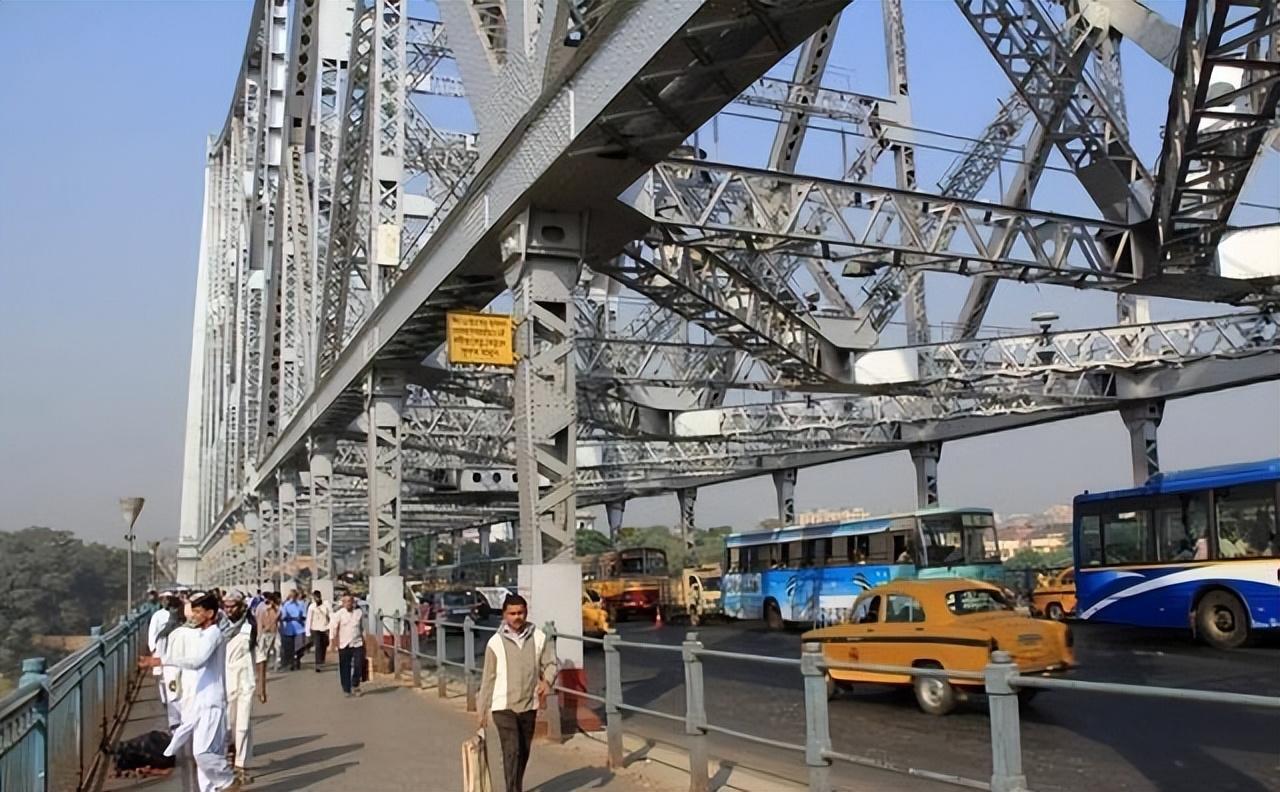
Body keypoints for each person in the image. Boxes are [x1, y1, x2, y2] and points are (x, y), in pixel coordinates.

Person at [146, 592, 240, 792]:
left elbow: (197, 660)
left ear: (210, 613)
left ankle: (228, 782)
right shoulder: (200, 634)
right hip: (199, 703)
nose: (194, 616)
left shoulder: (214, 634)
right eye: (193, 611)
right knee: (204, 756)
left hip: (211, 703)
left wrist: (162, 660)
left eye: (198, 612)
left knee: (203, 753)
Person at [477, 594, 557, 792]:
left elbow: (551, 664)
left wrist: (547, 681)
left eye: (520, 613)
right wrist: (482, 709)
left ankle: (516, 785)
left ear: (526, 613)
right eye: (512, 613)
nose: (516, 617)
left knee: (524, 750)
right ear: (504, 615)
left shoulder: (539, 638)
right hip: (503, 705)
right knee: (511, 749)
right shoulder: (495, 643)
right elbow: (488, 677)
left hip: (529, 703)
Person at [221, 590, 256, 785]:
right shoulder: (219, 627)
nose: (229, 610)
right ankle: (227, 760)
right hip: (225, 681)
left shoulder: (250, 626)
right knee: (228, 724)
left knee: (242, 726)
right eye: (226, 606)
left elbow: (258, 655)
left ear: (241, 607)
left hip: (245, 683)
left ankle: (241, 766)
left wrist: (261, 686)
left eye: (232, 606)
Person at [147, 593, 184, 730]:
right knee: (161, 677)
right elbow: (153, 632)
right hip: (161, 648)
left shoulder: (179, 616)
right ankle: (165, 699)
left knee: (171, 679)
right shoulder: (158, 615)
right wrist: (153, 648)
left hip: (173, 653)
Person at [328, 593, 365, 697]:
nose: (348, 603)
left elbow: (361, 628)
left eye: (350, 601)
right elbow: (333, 628)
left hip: (357, 643)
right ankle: (346, 688)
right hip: (344, 644)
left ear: (353, 602)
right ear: (343, 603)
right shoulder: (339, 614)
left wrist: (365, 639)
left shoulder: (358, 613)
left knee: (359, 664)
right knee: (345, 666)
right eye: (346, 601)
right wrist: (332, 643)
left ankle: (355, 684)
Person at [254, 593, 280, 686]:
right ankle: (260, 670)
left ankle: (269, 667)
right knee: (262, 651)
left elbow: (277, 618)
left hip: (273, 632)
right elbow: (258, 619)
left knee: (271, 650)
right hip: (264, 632)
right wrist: (259, 633)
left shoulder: (276, 609)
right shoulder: (262, 608)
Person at [279, 591, 307, 671]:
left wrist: (300, 617)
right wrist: (292, 618)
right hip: (289, 629)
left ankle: (297, 660)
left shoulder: (301, 604)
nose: (293, 597)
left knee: (299, 647)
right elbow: (283, 617)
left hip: (299, 629)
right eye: (292, 596)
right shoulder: (286, 605)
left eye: (294, 596)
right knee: (289, 648)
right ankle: (291, 663)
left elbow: (304, 615)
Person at [305, 590, 333, 671]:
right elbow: (309, 619)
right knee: (318, 646)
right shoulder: (312, 607)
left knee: (324, 644)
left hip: (325, 628)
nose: (317, 599)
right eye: (315, 598)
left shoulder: (326, 605)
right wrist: (307, 631)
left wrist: (331, 627)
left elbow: (331, 615)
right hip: (315, 629)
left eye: (318, 597)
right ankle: (318, 664)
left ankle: (322, 660)